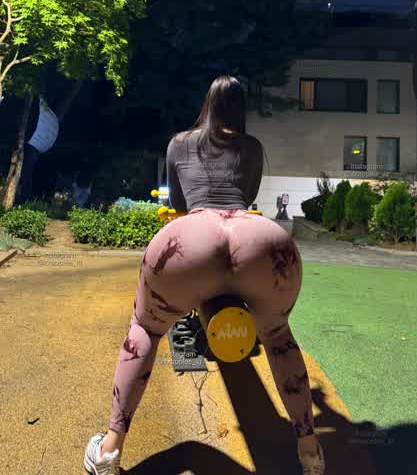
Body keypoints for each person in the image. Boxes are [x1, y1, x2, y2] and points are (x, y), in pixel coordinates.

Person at [83, 74, 325, 475]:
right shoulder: (252, 147)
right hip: (257, 240)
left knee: (144, 329)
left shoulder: (179, 143)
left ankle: (109, 449)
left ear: (207, 103)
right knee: (279, 338)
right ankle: (310, 451)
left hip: (191, 238)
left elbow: (181, 202)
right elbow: (246, 198)